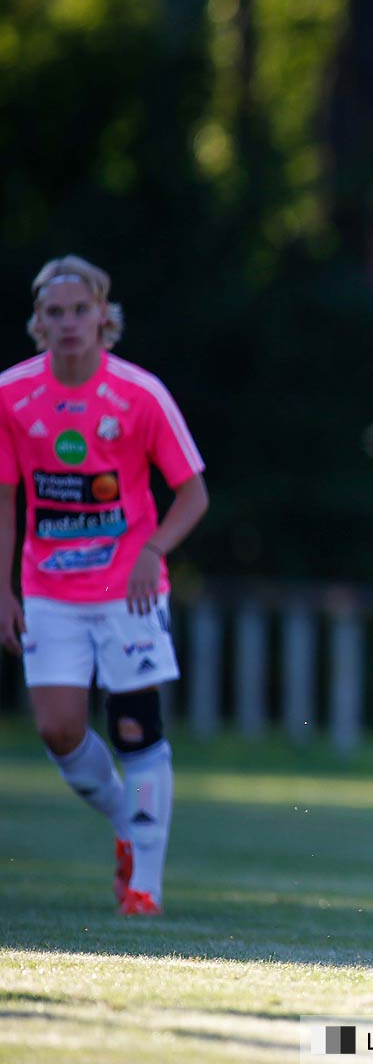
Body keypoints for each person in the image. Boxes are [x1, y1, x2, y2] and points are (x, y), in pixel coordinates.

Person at [0, 257, 209, 916]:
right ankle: (128, 821)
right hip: (49, 590)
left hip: (128, 591)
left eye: (79, 311)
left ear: (103, 317)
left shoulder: (141, 394)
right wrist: (1, 590)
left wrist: (152, 549)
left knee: (134, 728)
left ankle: (145, 886)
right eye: (54, 313)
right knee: (59, 730)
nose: (67, 324)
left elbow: (193, 493)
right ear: (38, 322)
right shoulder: (10, 395)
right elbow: (5, 500)